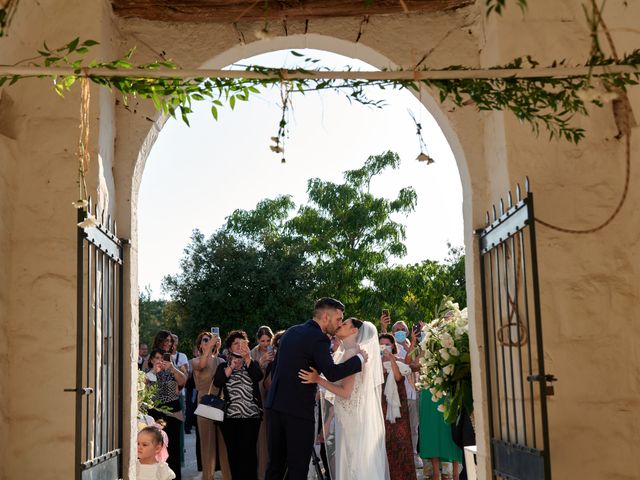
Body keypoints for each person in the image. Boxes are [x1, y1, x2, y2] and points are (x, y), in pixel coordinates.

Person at [264, 297, 368, 480]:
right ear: (326, 317)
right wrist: (359, 359)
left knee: (275, 466)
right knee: (297, 468)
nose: (338, 325)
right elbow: (333, 373)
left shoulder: (290, 332)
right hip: (298, 412)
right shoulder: (319, 338)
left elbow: (276, 367)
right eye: (338, 320)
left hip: (274, 406)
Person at [299, 318, 388, 480]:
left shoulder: (352, 354)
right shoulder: (350, 352)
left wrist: (318, 380)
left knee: (352, 462)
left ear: (354, 331)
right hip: (348, 415)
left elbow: (345, 392)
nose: (339, 325)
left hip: (350, 419)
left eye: (345, 324)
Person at [214, 330, 264, 480]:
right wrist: (231, 367)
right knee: (234, 454)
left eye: (242, 343)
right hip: (229, 418)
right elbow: (218, 382)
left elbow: (258, 376)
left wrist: (248, 359)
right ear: (229, 348)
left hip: (251, 417)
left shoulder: (251, 363)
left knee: (248, 454)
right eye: (235, 343)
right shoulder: (223, 365)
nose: (239, 346)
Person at [191, 331, 231, 480]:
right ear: (200, 345)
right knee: (207, 445)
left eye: (211, 339)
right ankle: (208, 477)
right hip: (204, 404)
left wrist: (217, 349)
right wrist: (209, 349)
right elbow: (202, 365)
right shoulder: (194, 361)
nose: (208, 342)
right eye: (205, 340)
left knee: (224, 444)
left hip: (221, 403)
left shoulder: (220, 361)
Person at [378, 333, 418, 480]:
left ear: (393, 346)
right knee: (385, 447)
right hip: (380, 409)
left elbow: (398, 377)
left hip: (398, 411)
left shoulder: (400, 362)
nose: (384, 348)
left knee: (401, 445)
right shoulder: (374, 365)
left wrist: (391, 360)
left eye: (387, 344)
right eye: (381, 345)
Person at [146, 347, 186, 479]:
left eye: (162, 358)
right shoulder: (147, 373)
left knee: (173, 449)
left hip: (172, 414)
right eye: (157, 358)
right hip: (155, 414)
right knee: (156, 449)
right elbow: (143, 387)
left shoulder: (172, 372)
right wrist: (154, 371)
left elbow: (183, 381)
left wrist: (172, 367)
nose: (159, 361)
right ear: (151, 360)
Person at [250, 325, 275, 480]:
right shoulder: (253, 352)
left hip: (272, 393)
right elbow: (251, 373)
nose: (265, 343)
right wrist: (260, 362)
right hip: (258, 393)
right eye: (262, 340)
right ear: (258, 340)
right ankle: (261, 472)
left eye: (268, 340)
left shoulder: (276, 351)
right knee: (261, 434)